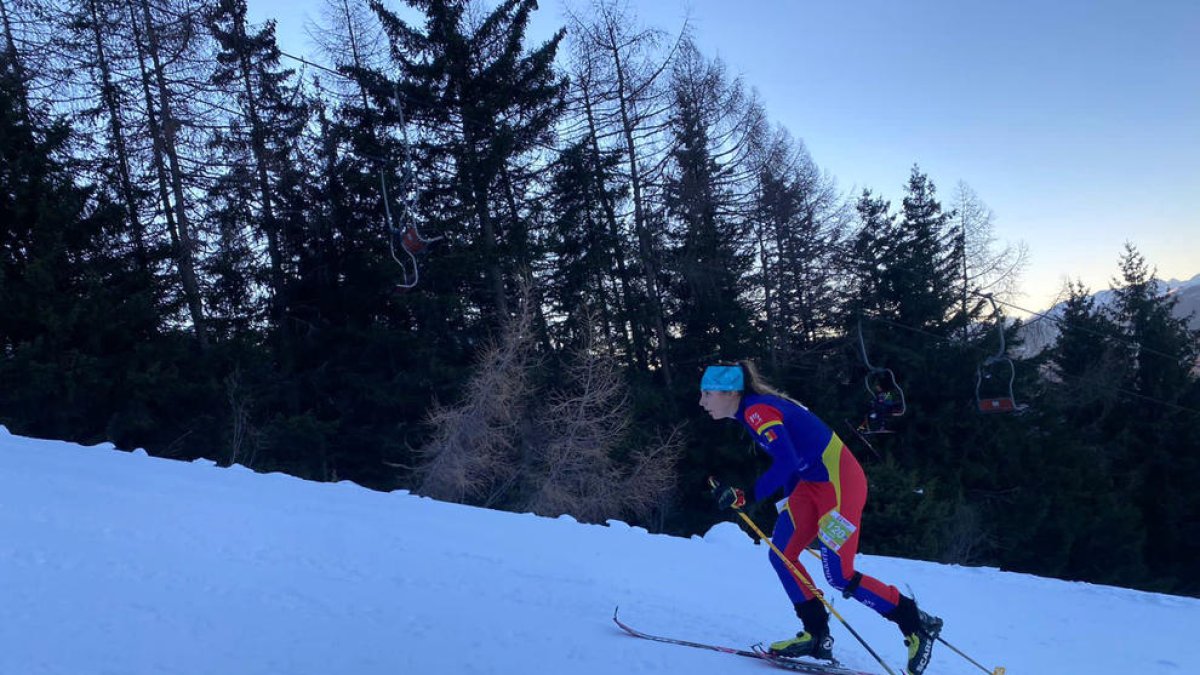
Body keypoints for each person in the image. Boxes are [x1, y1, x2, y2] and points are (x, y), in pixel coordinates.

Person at [699, 360, 942, 675]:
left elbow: (786, 459)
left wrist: (748, 494)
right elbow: (793, 456)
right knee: (782, 555)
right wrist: (786, 503)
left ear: (730, 392)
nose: (702, 402)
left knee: (839, 574)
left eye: (707, 393)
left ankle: (914, 622)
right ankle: (816, 635)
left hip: (840, 485)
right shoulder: (751, 412)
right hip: (809, 485)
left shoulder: (757, 411)